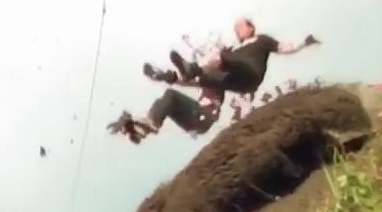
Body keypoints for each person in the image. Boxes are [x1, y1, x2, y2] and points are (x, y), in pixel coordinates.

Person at [109, 18, 321, 143]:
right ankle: (147, 125)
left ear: (251, 27)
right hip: (208, 108)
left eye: (240, 27)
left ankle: (190, 70)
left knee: (221, 57)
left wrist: (304, 42)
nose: (237, 31)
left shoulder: (261, 40)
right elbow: (197, 82)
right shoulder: (228, 56)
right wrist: (169, 78)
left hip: (249, 74)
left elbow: (285, 48)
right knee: (171, 96)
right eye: (236, 29)